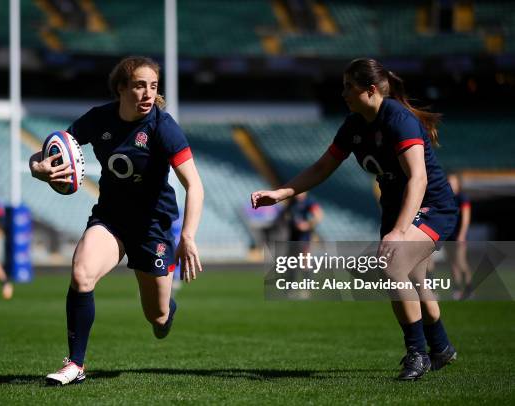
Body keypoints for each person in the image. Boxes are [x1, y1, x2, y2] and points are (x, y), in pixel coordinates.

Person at [251, 58, 457, 381]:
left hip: (432, 206)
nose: (343, 92)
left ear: (371, 90)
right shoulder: (354, 125)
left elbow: (419, 180)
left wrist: (399, 232)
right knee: (414, 280)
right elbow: (321, 168)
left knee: (392, 266)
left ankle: (417, 355)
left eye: (349, 86)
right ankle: (441, 347)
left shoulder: (398, 120)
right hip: (396, 209)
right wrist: (281, 194)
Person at [29, 56, 204, 386]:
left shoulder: (162, 127)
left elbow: (194, 184)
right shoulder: (99, 120)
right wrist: (37, 167)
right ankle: (75, 364)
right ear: (121, 88)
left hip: (153, 225)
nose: (147, 93)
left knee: (157, 315)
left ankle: (167, 311)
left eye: (153, 86)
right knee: (81, 274)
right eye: (139, 85)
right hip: (111, 218)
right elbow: (51, 152)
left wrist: (189, 236)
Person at [446, 173, 472, 299]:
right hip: (448, 236)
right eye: (448, 182)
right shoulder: (446, 198)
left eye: (453, 182)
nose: (450, 185)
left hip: (459, 236)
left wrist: (462, 235)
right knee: (452, 263)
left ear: (458, 184)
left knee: (461, 262)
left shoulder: (462, 198)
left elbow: (466, 218)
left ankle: (469, 288)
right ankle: (456, 289)